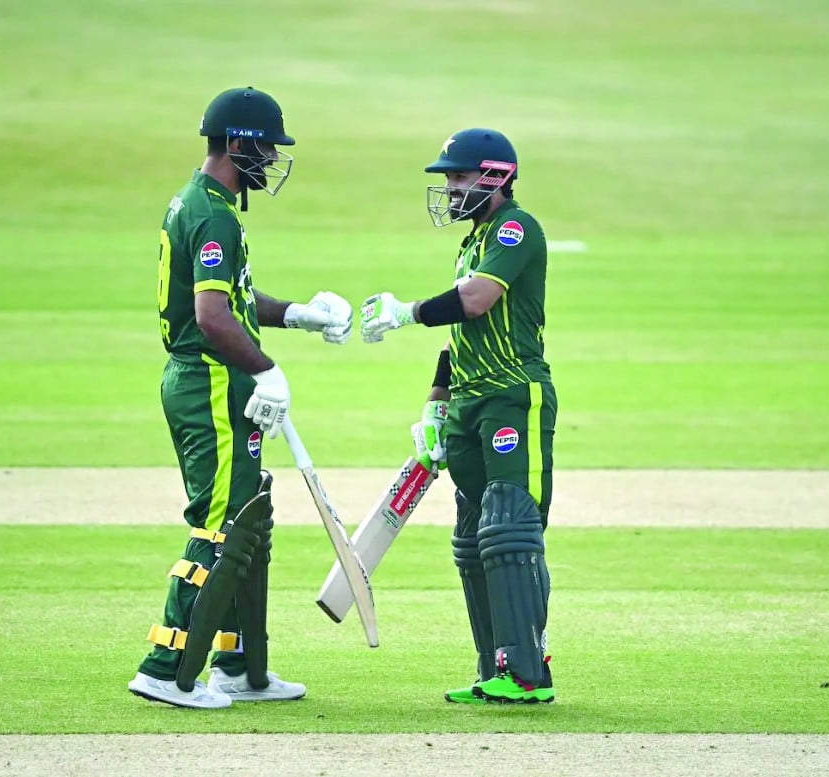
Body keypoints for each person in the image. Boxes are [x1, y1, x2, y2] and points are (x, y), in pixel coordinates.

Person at [128, 86, 353, 709]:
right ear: (236, 143)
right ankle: (165, 667)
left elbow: (235, 300)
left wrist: (297, 315)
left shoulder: (206, 203)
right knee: (222, 525)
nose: (272, 160)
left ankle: (238, 666)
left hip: (218, 381)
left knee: (249, 517)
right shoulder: (213, 214)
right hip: (209, 382)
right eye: (266, 148)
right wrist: (268, 370)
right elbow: (211, 317)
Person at [360, 128, 557, 704]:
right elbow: (462, 335)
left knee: (509, 528)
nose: (449, 188)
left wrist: (405, 312)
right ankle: (495, 667)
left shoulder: (515, 230)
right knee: (474, 538)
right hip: (469, 400)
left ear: (495, 178)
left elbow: (475, 302)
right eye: (447, 177)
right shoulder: (471, 244)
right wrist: (435, 405)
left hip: (512, 395)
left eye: (458, 176)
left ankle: (527, 673)